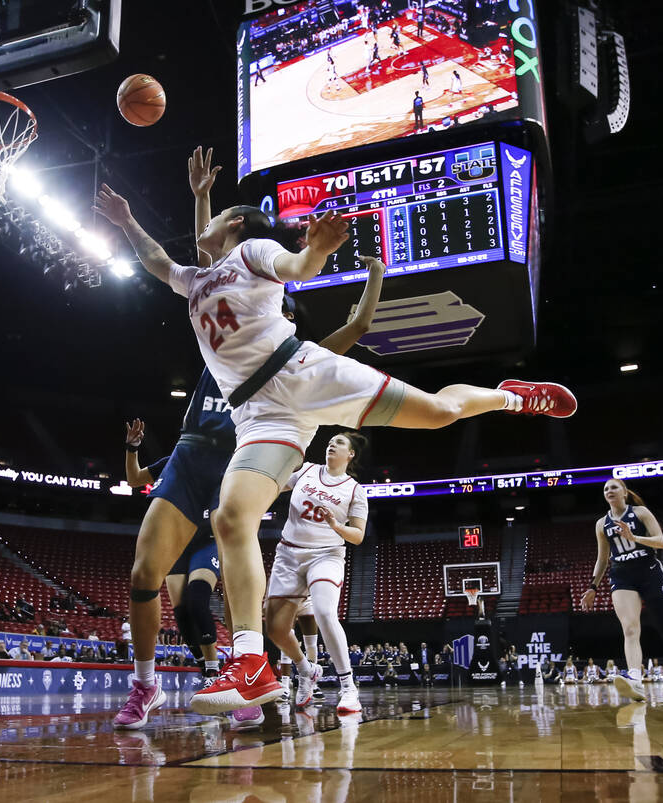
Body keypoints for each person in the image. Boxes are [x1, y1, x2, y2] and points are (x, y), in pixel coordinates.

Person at [94, 153, 576, 715]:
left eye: (215, 213)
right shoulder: (195, 279)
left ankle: (514, 395)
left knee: (441, 413)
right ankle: (250, 662)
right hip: (260, 413)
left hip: (302, 374)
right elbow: (157, 258)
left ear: (234, 226)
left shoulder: (251, 250)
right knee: (231, 518)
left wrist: (318, 249)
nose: (201, 218)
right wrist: (127, 222)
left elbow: (296, 268)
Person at [110, 148, 390, 730]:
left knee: (217, 588)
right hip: (193, 457)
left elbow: (357, 327)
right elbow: (205, 262)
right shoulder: (220, 319)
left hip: (246, 459)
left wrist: (373, 275)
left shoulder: (294, 361)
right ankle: (147, 686)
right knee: (142, 575)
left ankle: (249, 673)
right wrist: (198, 201)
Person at [267, 432, 369, 714]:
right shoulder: (308, 470)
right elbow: (273, 487)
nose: (331, 445)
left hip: (326, 554)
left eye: (339, 443)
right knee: (275, 629)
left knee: (325, 611)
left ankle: (348, 688)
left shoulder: (354, 489)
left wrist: (336, 525)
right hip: (289, 553)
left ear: (350, 455)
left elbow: (358, 535)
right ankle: (306, 668)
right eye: (330, 441)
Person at [581, 478, 663, 702]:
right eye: (606, 488)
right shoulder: (602, 524)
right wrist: (592, 586)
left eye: (614, 487)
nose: (609, 490)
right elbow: (602, 559)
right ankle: (635, 680)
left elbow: (661, 542)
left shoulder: (640, 513)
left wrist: (634, 537)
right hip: (621, 575)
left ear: (624, 492)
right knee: (629, 628)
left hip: (648, 571)